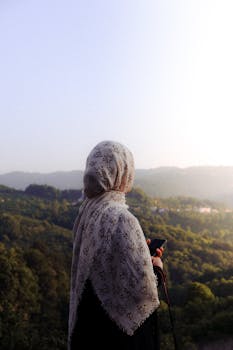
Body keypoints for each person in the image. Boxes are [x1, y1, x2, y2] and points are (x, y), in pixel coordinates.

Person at [68, 141, 164, 350]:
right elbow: (141, 291)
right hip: (117, 334)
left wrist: (138, 254)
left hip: (89, 325)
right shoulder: (122, 218)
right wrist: (155, 266)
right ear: (123, 171)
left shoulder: (86, 212)